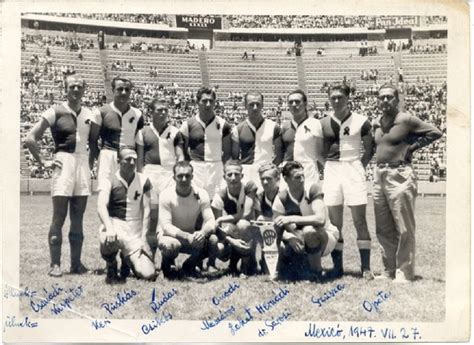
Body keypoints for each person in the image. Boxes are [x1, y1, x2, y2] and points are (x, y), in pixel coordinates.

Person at [24, 75, 94, 277]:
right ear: (66, 89)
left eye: (79, 86)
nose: (75, 89)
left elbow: (95, 141)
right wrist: (43, 161)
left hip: (82, 162)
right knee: (59, 216)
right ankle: (55, 264)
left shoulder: (89, 114)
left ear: (84, 89)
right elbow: (30, 138)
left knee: (78, 216)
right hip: (63, 160)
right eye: (72, 86)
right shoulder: (55, 111)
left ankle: (76, 264)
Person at [373, 84, 442, 282]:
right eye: (381, 97)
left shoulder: (406, 119)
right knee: (383, 226)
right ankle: (388, 271)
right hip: (379, 174)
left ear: (397, 100)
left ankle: (405, 271)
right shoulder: (377, 123)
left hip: (400, 173)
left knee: (403, 226)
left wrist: (412, 147)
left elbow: (435, 132)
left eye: (389, 97)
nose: (385, 101)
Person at [320, 83, 375, 280]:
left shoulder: (361, 121)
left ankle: (366, 268)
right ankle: (337, 267)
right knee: (335, 224)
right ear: (328, 98)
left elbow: (369, 150)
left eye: (340, 97)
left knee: (360, 220)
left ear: (348, 98)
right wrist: (325, 167)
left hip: (353, 167)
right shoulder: (323, 122)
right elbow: (320, 150)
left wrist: (358, 167)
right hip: (332, 168)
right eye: (333, 97)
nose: (336, 101)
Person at [272, 161, 339, 281]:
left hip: (326, 236)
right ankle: (276, 270)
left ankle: (316, 272)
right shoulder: (281, 197)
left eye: (303, 175)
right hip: (299, 237)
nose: (302, 179)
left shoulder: (312, 189)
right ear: (286, 179)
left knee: (309, 231)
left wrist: (292, 218)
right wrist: (289, 238)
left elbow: (320, 219)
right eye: (297, 177)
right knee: (279, 238)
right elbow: (276, 225)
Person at [97, 148, 156, 284]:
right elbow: (101, 206)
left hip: (134, 229)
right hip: (116, 225)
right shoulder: (109, 180)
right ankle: (111, 265)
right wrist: (109, 228)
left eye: (134, 159)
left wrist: (143, 238)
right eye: (128, 159)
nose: (132, 162)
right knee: (106, 239)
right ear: (118, 161)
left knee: (148, 274)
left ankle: (127, 260)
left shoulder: (143, 180)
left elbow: (147, 210)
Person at [138, 98, 185, 254]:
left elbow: (181, 157)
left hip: (169, 175)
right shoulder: (143, 132)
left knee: (167, 215)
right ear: (151, 111)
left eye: (165, 109)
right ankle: (148, 252)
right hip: (150, 173)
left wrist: (178, 175)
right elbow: (139, 160)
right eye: (159, 109)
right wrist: (141, 179)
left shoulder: (175, 132)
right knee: (151, 214)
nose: (163, 112)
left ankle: (167, 254)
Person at [158, 161, 219, 278]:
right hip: (170, 236)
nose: (184, 179)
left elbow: (211, 220)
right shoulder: (166, 195)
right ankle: (166, 266)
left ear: (192, 177)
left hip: (191, 236)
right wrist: (186, 236)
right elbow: (166, 226)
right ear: (174, 178)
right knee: (171, 246)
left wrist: (202, 233)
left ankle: (189, 265)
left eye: (187, 176)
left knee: (213, 240)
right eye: (180, 176)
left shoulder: (202, 193)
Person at [89, 76, 145, 191]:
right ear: (113, 90)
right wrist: (101, 157)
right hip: (108, 155)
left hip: (129, 158)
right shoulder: (101, 112)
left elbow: (139, 141)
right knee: (105, 193)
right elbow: (92, 140)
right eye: (120, 89)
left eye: (127, 90)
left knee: (127, 196)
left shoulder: (138, 114)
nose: (123, 93)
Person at [180, 87, 232, 198]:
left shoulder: (223, 124)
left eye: (211, 101)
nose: (208, 104)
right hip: (196, 168)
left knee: (216, 203)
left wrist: (223, 170)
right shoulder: (188, 125)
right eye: (204, 101)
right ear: (197, 102)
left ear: (215, 103)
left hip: (216, 168)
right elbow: (183, 151)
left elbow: (227, 153)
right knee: (195, 201)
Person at [210, 160, 260, 275]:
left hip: (252, 230)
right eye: (229, 174)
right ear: (224, 177)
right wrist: (232, 241)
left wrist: (222, 219)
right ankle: (230, 265)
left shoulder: (249, 187)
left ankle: (245, 267)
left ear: (242, 176)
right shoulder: (220, 195)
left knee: (243, 224)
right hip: (233, 232)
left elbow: (246, 214)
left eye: (236, 174)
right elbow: (217, 228)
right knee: (219, 248)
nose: (233, 178)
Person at [231, 92, 283, 188]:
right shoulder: (238, 129)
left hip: (267, 173)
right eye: (251, 104)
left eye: (258, 104)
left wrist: (269, 169)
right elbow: (234, 157)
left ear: (262, 105)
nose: (255, 107)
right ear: (245, 106)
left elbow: (279, 155)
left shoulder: (273, 127)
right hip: (246, 173)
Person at [281, 89, 324, 186]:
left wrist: (312, 168)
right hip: (287, 173)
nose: (294, 104)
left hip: (308, 172)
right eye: (291, 102)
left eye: (297, 101)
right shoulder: (285, 127)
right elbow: (282, 153)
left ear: (305, 104)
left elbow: (321, 153)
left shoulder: (315, 124)